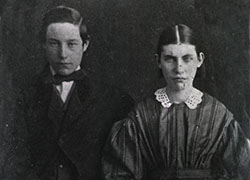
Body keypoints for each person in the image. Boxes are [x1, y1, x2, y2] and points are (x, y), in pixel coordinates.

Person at [102, 24, 250, 180]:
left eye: (187, 59)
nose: (179, 68)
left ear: (199, 60)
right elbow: (119, 173)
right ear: (158, 61)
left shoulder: (218, 116)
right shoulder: (141, 116)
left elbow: (239, 172)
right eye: (170, 59)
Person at [18, 5, 134, 180]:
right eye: (54, 43)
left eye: (71, 44)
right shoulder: (23, 95)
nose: (63, 54)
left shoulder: (113, 99)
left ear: (85, 44)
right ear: (43, 44)